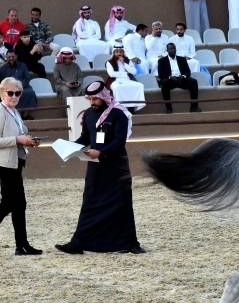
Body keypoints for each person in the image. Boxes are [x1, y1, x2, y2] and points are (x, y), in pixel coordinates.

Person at [55, 81, 143, 254]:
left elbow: (119, 142)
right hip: (95, 166)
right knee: (90, 202)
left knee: (121, 203)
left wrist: (101, 152)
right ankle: (78, 242)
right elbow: (85, 138)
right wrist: (70, 146)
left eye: (96, 98)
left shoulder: (119, 114)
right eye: (90, 98)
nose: (92, 102)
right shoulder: (88, 114)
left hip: (116, 166)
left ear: (104, 96)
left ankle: (129, 243)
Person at [0, 78, 43, 256]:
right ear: (2, 93)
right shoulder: (1, 111)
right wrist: (18, 140)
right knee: (10, 203)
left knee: (18, 205)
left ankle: (22, 245)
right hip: (4, 164)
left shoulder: (14, 112)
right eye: (10, 93)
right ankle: (21, 244)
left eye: (18, 93)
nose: (14, 96)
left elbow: (21, 134)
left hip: (16, 162)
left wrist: (28, 140)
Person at [156, 42, 201, 114]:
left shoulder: (182, 59)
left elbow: (188, 72)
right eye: (170, 49)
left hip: (181, 80)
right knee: (164, 84)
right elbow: (161, 75)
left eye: (174, 48)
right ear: (167, 50)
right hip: (170, 80)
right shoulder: (162, 61)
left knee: (194, 82)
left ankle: (194, 107)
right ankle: (168, 108)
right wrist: (170, 77)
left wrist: (183, 76)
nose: (172, 50)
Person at [105, 42, 146, 111]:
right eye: (117, 52)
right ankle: (120, 107)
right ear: (114, 52)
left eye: (121, 52)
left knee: (139, 85)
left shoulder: (127, 60)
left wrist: (124, 63)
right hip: (115, 80)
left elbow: (134, 71)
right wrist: (125, 73)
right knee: (118, 88)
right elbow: (111, 74)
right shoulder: (109, 61)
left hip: (128, 80)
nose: (119, 54)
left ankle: (133, 106)